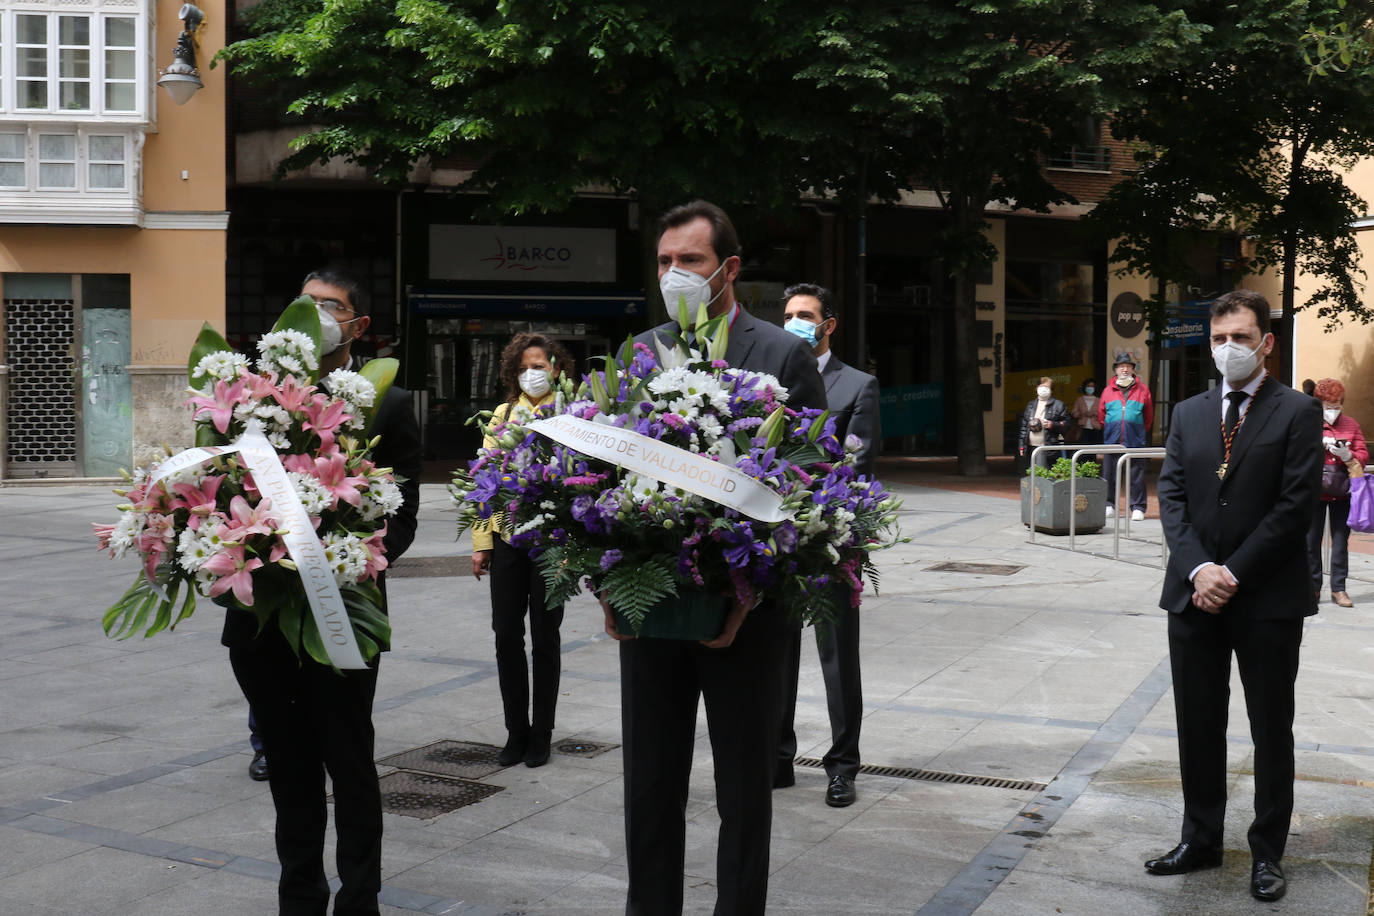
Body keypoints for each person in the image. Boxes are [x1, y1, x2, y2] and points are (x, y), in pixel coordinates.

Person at [613, 200, 826, 915]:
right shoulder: (639, 354)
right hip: (651, 615)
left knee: (743, 793)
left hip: (748, 616)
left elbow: (811, 488)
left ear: (728, 269)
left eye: (691, 261)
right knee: (649, 788)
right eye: (666, 261)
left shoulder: (782, 356)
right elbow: (606, 481)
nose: (675, 274)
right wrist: (616, 587)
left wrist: (749, 592)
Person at [226, 268, 422, 916]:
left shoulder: (386, 403)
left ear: (357, 325)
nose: (315, 317)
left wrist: (339, 560)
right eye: (304, 306)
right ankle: (299, 898)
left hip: (345, 615)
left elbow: (404, 517)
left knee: (349, 762)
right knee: (288, 767)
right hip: (261, 624)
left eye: (330, 307)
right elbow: (226, 493)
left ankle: (359, 898)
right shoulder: (252, 404)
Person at [1148, 289, 1322, 903]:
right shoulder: (1189, 412)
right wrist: (1198, 570)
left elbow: (1294, 505)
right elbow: (1170, 497)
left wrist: (1233, 573)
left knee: (1271, 727)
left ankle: (1268, 852)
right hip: (1193, 597)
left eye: (1242, 338)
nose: (1229, 349)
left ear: (1266, 342)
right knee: (1198, 723)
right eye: (1219, 338)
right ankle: (1201, 839)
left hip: (1266, 598)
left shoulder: (1297, 411)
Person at [774, 282, 879, 809]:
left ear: (827, 324)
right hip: (772, 538)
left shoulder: (858, 385)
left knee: (837, 656)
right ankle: (778, 756)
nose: (795, 321)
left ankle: (842, 766)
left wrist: (803, 500)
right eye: (788, 314)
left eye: (805, 315)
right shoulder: (767, 383)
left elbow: (855, 463)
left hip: (831, 534)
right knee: (777, 649)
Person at [470, 333, 575, 768]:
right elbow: (483, 478)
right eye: (524, 366)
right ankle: (516, 730)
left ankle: (542, 734)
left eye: (541, 364)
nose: (533, 373)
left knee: (546, 639)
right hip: (507, 538)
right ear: (514, 372)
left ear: (555, 368)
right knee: (506, 635)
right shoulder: (502, 414)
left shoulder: (572, 414)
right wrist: (481, 542)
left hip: (551, 543)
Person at [1306, 377, 1368, 608]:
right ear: (1319, 404)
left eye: (1337, 406)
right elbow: (1296, 453)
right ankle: (1312, 587)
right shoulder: (1308, 423)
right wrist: (1317, 445)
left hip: (1343, 491)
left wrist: (1348, 455)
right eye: (1328, 406)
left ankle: (1339, 589)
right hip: (1315, 491)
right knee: (1311, 542)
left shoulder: (1351, 424)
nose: (1333, 411)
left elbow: (1363, 454)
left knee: (1341, 542)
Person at [1099, 352, 1154, 520]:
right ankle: (1109, 504)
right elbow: (1101, 416)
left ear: (1132, 369)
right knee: (1109, 474)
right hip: (1112, 439)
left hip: (1134, 439)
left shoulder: (1143, 390)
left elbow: (1148, 416)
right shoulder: (1108, 391)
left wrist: (1137, 430)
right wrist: (1112, 428)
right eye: (1121, 366)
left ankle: (1137, 507)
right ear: (1116, 370)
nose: (1124, 369)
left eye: (1128, 366)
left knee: (1136, 475)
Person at [1017, 377, 1070, 471]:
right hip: (1031, 446)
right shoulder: (1031, 405)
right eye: (1041, 386)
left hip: (1049, 447)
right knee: (1032, 474)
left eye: (1047, 387)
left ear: (1051, 390)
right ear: (1036, 388)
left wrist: (1052, 425)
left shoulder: (1059, 405)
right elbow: (1024, 427)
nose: (1043, 389)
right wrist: (1022, 445)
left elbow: (1066, 425)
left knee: (1046, 474)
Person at [1071, 379, 1102, 463]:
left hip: (1095, 428)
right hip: (1082, 428)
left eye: (1092, 386)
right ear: (1085, 387)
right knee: (1083, 449)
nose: (1090, 388)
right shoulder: (1079, 400)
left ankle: (1092, 467)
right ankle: (1083, 467)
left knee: (1093, 450)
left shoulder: (1098, 400)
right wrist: (1082, 413)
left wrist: (1094, 413)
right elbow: (1074, 413)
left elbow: (1102, 413)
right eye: (1088, 386)